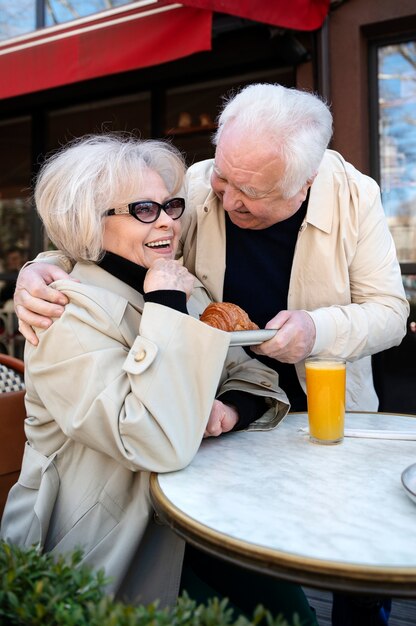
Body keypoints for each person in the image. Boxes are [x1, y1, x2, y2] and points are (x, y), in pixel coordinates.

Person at [13, 84, 410, 625]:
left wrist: (304, 340)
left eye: (248, 190)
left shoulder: (352, 196)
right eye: (221, 177)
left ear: (304, 184)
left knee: (338, 556)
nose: (219, 198)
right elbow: (96, 230)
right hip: (128, 518)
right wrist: (39, 266)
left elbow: (388, 311)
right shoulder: (190, 195)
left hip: (287, 415)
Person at [1, 133, 319, 625]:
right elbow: (152, 439)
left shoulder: (178, 286)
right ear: (88, 218)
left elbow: (253, 373)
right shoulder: (64, 313)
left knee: (291, 609)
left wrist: (229, 410)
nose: (169, 220)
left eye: (171, 204)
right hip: (102, 547)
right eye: (145, 209)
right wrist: (165, 307)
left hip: (191, 518)